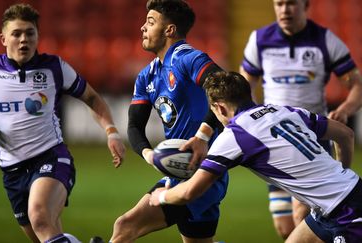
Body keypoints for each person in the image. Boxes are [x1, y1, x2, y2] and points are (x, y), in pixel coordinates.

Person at [0, 4, 125, 243]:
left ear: (38, 37)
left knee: (39, 216)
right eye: (16, 33)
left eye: (30, 33)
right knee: (46, 236)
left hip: (51, 158)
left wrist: (111, 132)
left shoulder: (55, 68)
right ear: (3, 38)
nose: (23, 39)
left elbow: (92, 98)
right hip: (12, 172)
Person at [150, 71, 362, 243]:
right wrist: (342, 173)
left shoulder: (234, 136)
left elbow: (189, 192)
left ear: (219, 108)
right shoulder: (285, 111)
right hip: (338, 201)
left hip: (349, 213)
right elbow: (346, 134)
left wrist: (160, 196)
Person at [239, 0, 362, 238]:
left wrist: (345, 109)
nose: (285, 10)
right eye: (279, 3)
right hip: (275, 141)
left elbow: (356, 85)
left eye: (292, 4)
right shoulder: (260, 40)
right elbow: (245, 85)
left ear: (306, 7)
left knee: (302, 216)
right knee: (285, 228)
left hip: (313, 139)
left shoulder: (325, 40)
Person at [110, 0, 228, 242]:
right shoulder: (147, 76)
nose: (143, 27)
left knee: (125, 226)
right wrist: (149, 154)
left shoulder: (187, 58)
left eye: (151, 22)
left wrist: (202, 137)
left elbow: (223, 87)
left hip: (203, 174)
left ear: (170, 30)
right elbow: (134, 126)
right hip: (179, 171)